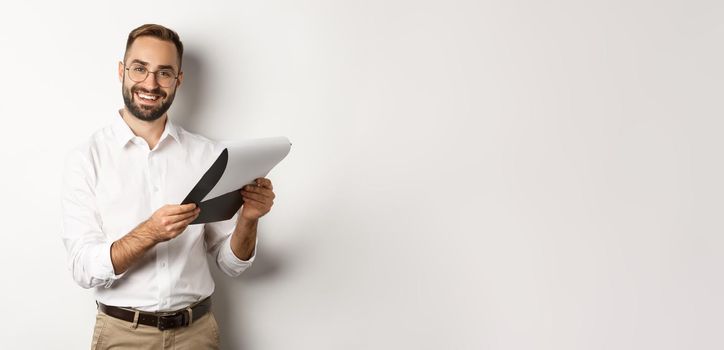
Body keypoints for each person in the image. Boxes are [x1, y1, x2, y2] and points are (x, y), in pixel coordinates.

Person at [60, 24, 275, 350]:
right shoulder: (87, 158)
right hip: (122, 335)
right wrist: (150, 232)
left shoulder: (208, 155)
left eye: (164, 72)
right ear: (122, 71)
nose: (150, 83)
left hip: (197, 334)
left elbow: (231, 265)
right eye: (139, 69)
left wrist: (249, 218)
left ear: (179, 79)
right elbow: (83, 269)